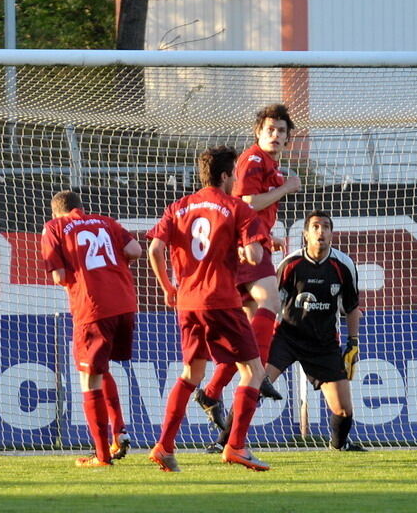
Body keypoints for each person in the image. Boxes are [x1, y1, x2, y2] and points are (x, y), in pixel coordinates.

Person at [147, 145, 271, 472]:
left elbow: (155, 248)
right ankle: (236, 446)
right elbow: (256, 256)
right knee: (253, 372)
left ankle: (165, 445)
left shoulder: (178, 208)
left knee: (192, 373)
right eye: (235, 175)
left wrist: (168, 288)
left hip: (188, 303)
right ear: (227, 175)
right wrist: (247, 252)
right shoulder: (235, 208)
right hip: (222, 301)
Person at [208, 210, 365, 453]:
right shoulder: (291, 264)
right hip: (285, 338)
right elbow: (269, 300)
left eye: (325, 226)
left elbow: (353, 308)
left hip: (323, 344)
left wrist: (353, 342)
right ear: (306, 234)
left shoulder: (343, 265)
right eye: (315, 227)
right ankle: (223, 442)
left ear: (332, 233)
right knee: (254, 384)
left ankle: (339, 445)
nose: (320, 231)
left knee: (344, 409)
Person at [196, 104, 301, 427]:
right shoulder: (254, 159)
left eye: (281, 131)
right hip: (243, 248)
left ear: (287, 138)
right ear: (258, 132)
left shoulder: (270, 164)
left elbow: (255, 210)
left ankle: (213, 392)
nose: (276, 135)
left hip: (254, 244)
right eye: (270, 129)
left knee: (248, 335)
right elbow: (246, 203)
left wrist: (269, 238)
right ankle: (259, 371)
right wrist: (286, 188)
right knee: (272, 302)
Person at [40, 190, 143, 468]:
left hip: (92, 307)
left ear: (55, 212)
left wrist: (81, 274)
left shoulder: (54, 227)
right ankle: (119, 429)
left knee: (88, 378)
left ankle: (101, 455)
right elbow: (135, 250)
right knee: (102, 368)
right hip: (124, 303)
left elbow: (59, 276)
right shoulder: (106, 222)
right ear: (81, 208)